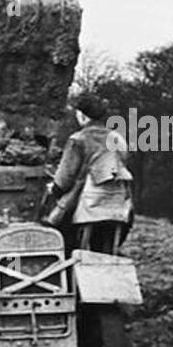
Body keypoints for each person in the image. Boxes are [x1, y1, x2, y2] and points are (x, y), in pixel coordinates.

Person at [44, 92, 134, 254]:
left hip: (88, 206)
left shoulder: (78, 139)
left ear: (83, 116)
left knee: (55, 224)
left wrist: (54, 189)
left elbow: (65, 178)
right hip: (118, 206)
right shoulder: (117, 138)